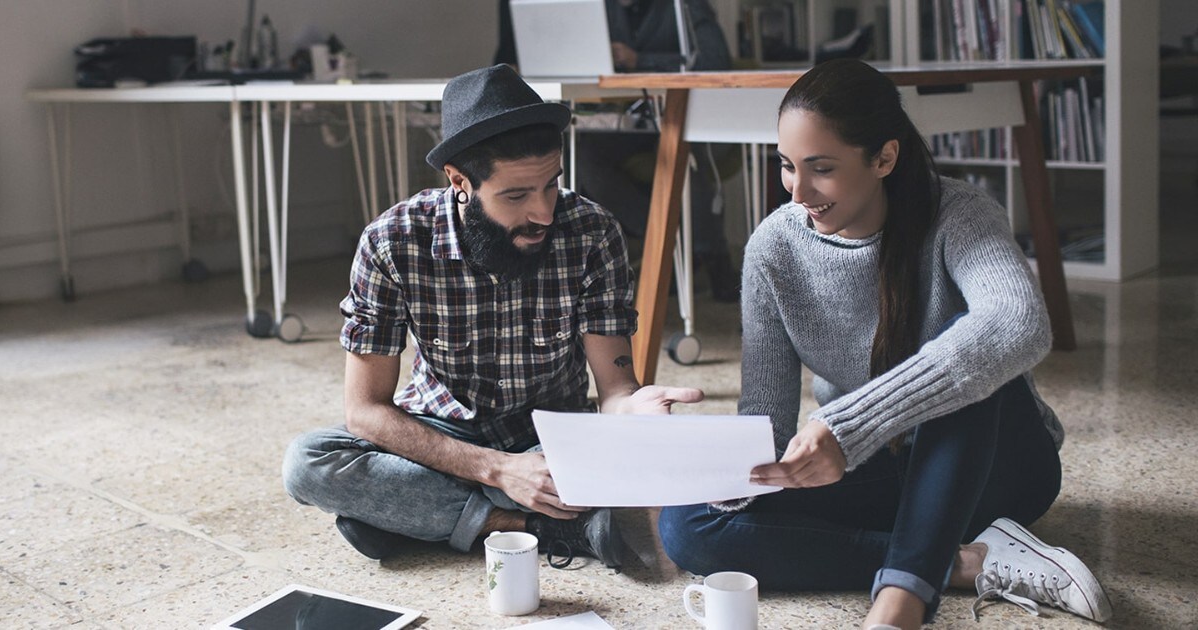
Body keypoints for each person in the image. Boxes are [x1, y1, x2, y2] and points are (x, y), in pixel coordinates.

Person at [656, 59, 1111, 629]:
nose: (799, 190)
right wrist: (706, 469)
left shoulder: (959, 214)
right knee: (687, 524)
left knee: (963, 361)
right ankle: (966, 563)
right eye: (787, 166)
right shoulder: (774, 248)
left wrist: (853, 425)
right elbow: (766, 422)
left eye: (821, 168)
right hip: (884, 465)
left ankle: (899, 606)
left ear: (884, 158)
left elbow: (1018, 323)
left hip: (1001, 462)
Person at [282, 64, 703, 569]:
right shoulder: (393, 241)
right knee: (309, 463)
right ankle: (538, 527)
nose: (544, 212)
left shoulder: (592, 232)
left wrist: (631, 411)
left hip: (551, 440)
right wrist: (500, 470)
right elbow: (367, 410)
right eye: (517, 195)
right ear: (460, 181)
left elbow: (614, 390)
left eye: (551, 185)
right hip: (443, 436)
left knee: (637, 467)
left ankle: (414, 517)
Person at [495, 0, 741, 301]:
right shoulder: (601, 9)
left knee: (686, 148)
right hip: (637, 118)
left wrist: (640, 60)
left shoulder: (687, 6)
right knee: (585, 153)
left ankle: (711, 252)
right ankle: (662, 239)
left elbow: (715, 60)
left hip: (694, 117)